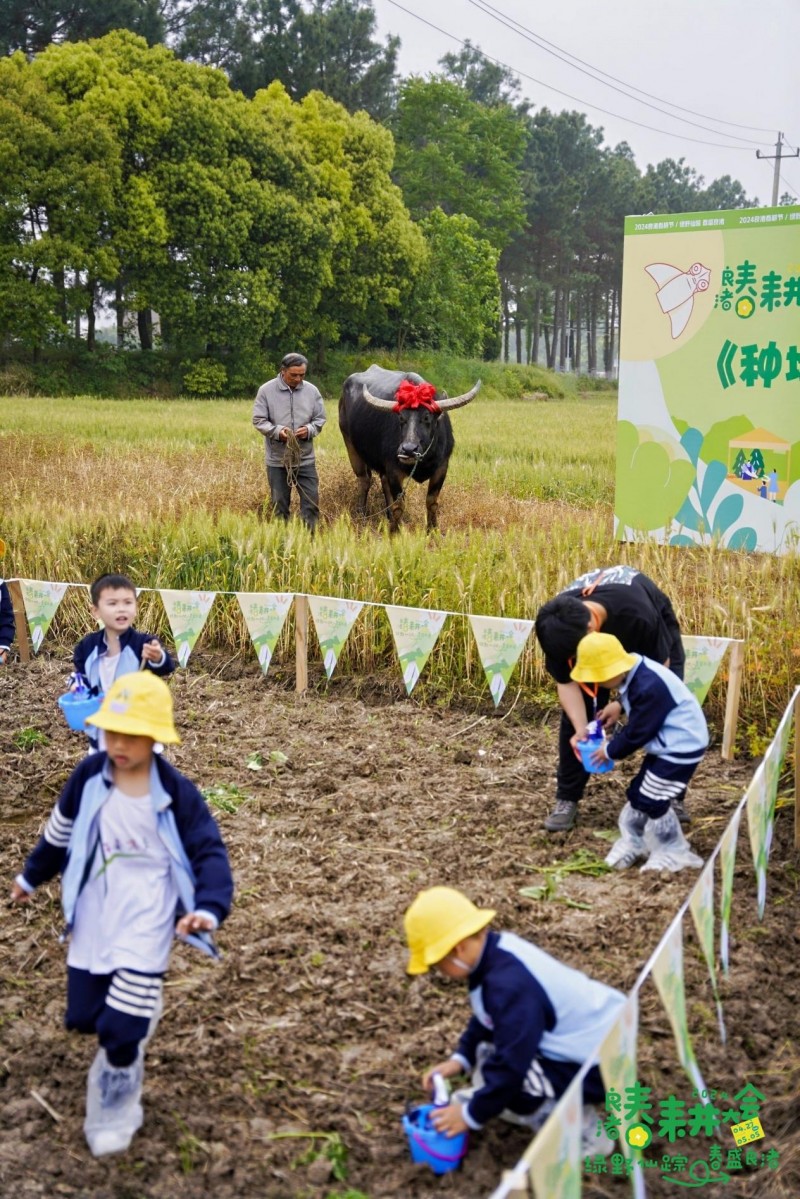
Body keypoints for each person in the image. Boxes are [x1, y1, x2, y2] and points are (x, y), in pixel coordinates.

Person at [9, 671, 234, 1158]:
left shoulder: (177, 794)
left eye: (131, 735)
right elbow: (59, 834)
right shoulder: (89, 779)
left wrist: (208, 909)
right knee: (84, 1018)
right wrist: (30, 877)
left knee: (118, 1032)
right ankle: (134, 1007)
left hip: (148, 918)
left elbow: (209, 853)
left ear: (155, 737)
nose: (119, 744)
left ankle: (116, 1100)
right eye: (112, 732)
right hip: (94, 913)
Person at [404, 886, 623, 1156]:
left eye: (438, 965)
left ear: (458, 949)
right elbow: (486, 1020)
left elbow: (512, 1065)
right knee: (487, 1058)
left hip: (601, 1063)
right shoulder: (497, 954)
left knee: (513, 1084)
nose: (440, 973)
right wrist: (460, 1059)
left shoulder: (508, 986)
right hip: (601, 1038)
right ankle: (509, 1098)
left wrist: (471, 1115)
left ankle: (585, 1132)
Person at [534, 565, 686, 832]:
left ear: (591, 628)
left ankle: (670, 795)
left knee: (666, 710)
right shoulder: (557, 629)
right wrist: (582, 728)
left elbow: (658, 674)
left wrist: (621, 704)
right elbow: (567, 682)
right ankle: (567, 798)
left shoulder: (639, 617)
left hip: (644, 619)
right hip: (599, 622)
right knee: (577, 722)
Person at [571, 632, 706, 873]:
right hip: (665, 744)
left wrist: (609, 750)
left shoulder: (648, 686)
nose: (597, 685)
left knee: (653, 799)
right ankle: (636, 842)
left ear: (611, 672)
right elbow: (639, 717)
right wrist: (619, 707)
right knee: (637, 791)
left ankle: (674, 850)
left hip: (681, 747)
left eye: (598, 679)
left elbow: (639, 731)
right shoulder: (636, 670)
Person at [74, 574, 175, 751]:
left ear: (136, 608)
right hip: (101, 737)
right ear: (95, 611)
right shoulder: (86, 647)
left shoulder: (143, 643)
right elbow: (80, 677)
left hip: (140, 737)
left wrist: (157, 656)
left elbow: (166, 666)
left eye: (128, 603)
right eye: (112, 604)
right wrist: (77, 687)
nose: (121, 609)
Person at [252, 352, 327, 532]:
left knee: (311, 503)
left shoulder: (312, 391)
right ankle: (282, 544)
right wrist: (279, 432)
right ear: (283, 371)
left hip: (305, 459)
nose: (298, 379)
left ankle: (308, 543)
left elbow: (320, 419)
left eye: (302, 375)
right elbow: (259, 420)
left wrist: (308, 430)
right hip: (278, 460)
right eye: (294, 375)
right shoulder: (266, 391)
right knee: (280, 506)